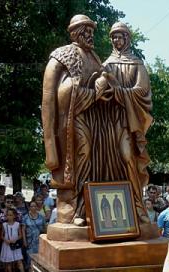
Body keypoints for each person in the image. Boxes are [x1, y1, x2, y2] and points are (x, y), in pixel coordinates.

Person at [42, 14, 104, 226]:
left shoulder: (95, 57)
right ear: (76, 32)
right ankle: (76, 209)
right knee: (81, 156)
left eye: (92, 31)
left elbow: (104, 83)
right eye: (86, 31)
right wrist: (49, 143)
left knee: (96, 161)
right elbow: (50, 98)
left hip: (97, 121)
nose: (90, 35)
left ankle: (93, 209)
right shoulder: (62, 55)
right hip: (71, 121)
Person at [101, 21, 153, 222]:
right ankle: (107, 213)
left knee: (128, 158)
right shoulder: (105, 64)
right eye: (113, 36)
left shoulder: (137, 63)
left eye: (120, 36)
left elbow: (143, 91)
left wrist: (120, 92)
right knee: (107, 162)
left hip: (127, 122)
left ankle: (137, 206)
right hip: (107, 122)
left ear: (127, 38)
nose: (116, 40)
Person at [0, 208, 26, 272]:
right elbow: (2, 235)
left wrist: (15, 240)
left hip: (16, 245)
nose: (9, 216)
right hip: (7, 245)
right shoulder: (4, 224)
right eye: (8, 215)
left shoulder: (17, 224)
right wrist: (6, 240)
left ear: (14, 216)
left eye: (11, 215)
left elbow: (20, 235)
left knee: (19, 260)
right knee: (8, 261)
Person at [22, 200, 46, 269]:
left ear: (37, 207)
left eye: (35, 206)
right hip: (29, 241)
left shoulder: (41, 217)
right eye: (31, 206)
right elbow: (23, 230)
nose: (33, 207)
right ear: (29, 207)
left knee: (39, 258)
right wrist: (24, 241)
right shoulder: (25, 217)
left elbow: (45, 229)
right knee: (29, 258)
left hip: (39, 241)